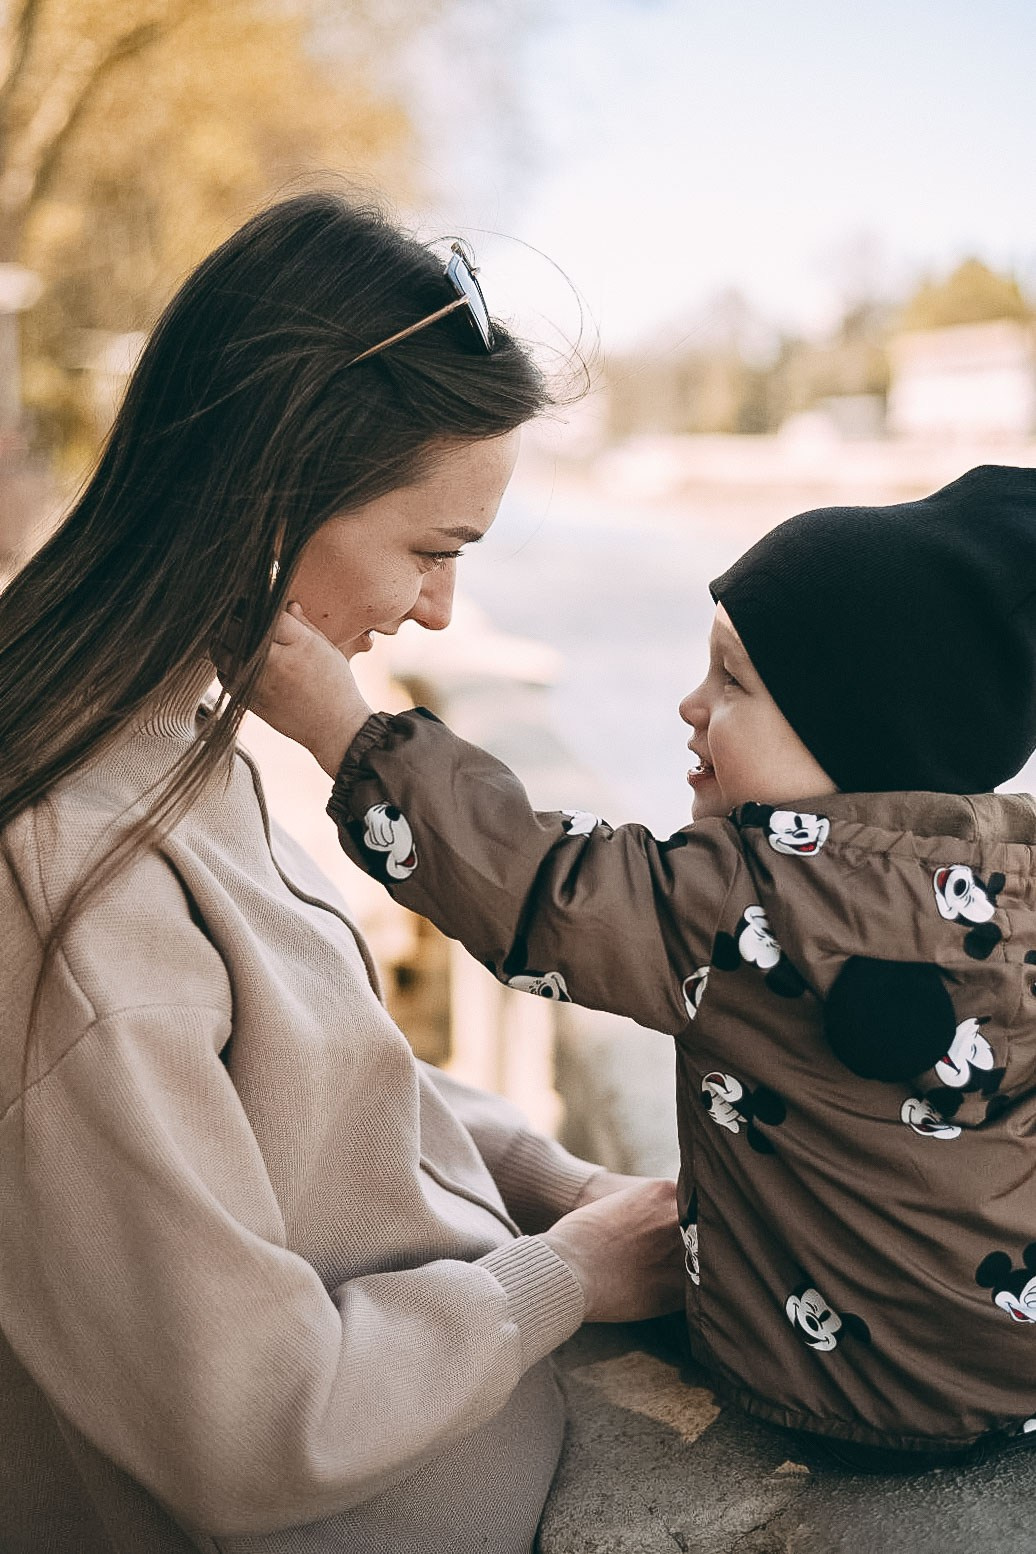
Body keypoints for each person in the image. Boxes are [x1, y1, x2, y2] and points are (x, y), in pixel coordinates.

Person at [0, 191, 685, 1554]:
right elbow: (248, 1422)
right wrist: (555, 1281)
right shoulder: (73, 871)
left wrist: (546, 1176)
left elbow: (300, 1088)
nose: (437, 610)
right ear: (273, 497)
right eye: (432, 551)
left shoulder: (165, 746)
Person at [249, 463, 1036, 1470]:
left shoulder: (740, 901)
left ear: (856, 733)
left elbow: (536, 886)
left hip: (835, 1390)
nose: (688, 705)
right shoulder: (1009, 886)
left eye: (732, 681)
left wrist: (342, 729)